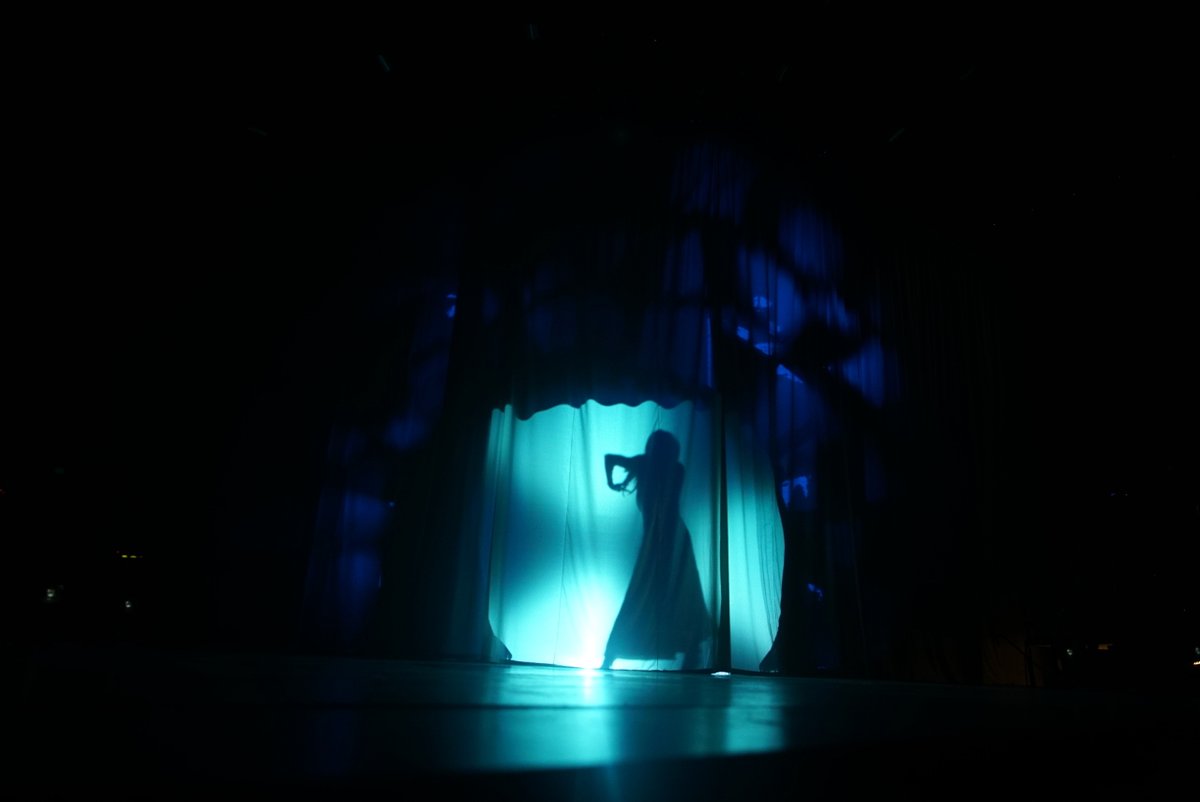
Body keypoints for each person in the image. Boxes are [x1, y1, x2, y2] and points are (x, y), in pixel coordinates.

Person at [601, 430, 712, 670]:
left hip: (666, 536)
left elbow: (611, 459)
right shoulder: (666, 467)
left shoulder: (649, 465)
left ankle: (688, 651)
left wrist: (613, 482)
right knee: (676, 592)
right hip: (670, 536)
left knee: (668, 591)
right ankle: (690, 651)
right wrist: (614, 481)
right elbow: (611, 459)